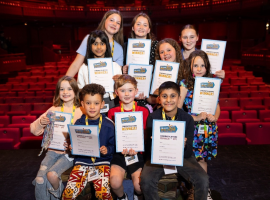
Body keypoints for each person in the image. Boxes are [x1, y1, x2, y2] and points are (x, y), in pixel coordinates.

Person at [140, 81, 208, 200]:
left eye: (173, 96)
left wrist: (184, 146)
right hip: (158, 158)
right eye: (164, 96)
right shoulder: (153, 117)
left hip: (182, 157)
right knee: (146, 180)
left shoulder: (187, 119)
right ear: (159, 99)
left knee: (203, 179)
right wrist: (154, 144)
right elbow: (149, 151)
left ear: (179, 98)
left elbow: (188, 153)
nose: (169, 100)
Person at [30, 76, 83, 200]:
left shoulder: (81, 111)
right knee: (39, 179)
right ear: (58, 92)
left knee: (51, 176)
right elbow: (33, 129)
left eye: (69, 89)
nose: (65, 92)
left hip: (69, 154)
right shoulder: (53, 110)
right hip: (52, 152)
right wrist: (42, 123)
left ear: (75, 91)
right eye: (62, 89)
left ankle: (57, 196)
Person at [178, 50, 220, 199]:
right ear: (190, 66)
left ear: (207, 66)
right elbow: (178, 110)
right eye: (196, 65)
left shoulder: (212, 83)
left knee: (202, 159)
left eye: (202, 65)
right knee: (191, 160)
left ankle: (204, 190)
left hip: (207, 129)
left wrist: (214, 117)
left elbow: (217, 105)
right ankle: (192, 189)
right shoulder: (184, 84)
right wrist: (195, 118)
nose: (199, 68)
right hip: (191, 127)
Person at [62, 83, 115, 200]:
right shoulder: (78, 124)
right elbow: (73, 145)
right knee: (68, 195)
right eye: (88, 103)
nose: (92, 107)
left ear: (102, 104)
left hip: (102, 163)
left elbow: (114, 146)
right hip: (82, 163)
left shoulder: (109, 125)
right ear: (82, 104)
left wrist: (107, 150)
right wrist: (72, 147)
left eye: (96, 103)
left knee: (103, 194)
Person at [107, 74, 149, 200]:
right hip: (119, 153)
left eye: (130, 90)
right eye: (122, 90)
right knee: (114, 182)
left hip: (137, 153)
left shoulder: (144, 110)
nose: (126, 94)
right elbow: (111, 135)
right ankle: (122, 197)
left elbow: (146, 135)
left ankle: (137, 195)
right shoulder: (112, 112)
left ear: (136, 91)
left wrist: (138, 148)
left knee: (139, 186)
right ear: (116, 92)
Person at [66, 9, 124, 77]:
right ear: (104, 21)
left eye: (118, 23)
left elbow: (117, 74)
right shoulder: (89, 39)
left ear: (119, 27)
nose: (114, 24)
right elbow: (76, 65)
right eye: (111, 20)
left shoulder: (119, 49)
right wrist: (64, 83)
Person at [77, 30, 122, 114]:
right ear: (90, 46)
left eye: (102, 44)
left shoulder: (115, 66)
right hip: (91, 103)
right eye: (95, 44)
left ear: (106, 46)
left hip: (110, 101)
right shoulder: (84, 67)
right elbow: (80, 88)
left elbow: (120, 90)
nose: (98, 47)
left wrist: (119, 82)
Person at [122, 12, 158, 110]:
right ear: (133, 28)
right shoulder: (126, 47)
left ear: (149, 29)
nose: (141, 27)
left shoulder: (156, 46)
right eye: (138, 24)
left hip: (150, 95)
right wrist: (123, 69)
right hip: (129, 94)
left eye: (145, 25)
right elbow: (122, 69)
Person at [146, 38, 184, 105]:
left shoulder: (185, 71)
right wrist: (157, 98)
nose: (165, 54)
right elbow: (149, 99)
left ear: (176, 51)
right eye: (162, 52)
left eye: (169, 50)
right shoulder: (154, 74)